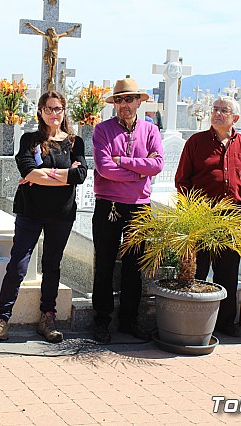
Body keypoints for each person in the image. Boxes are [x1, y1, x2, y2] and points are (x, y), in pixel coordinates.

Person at [0, 91, 87, 345]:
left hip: (61, 214)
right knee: (18, 263)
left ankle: (47, 317)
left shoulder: (75, 143)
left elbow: (81, 175)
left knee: (52, 265)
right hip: (31, 212)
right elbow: (28, 171)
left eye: (58, 108)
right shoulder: (30, 140)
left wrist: (45, 175)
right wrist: (62, 174)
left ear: (64, 111)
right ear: (40, 111)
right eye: (49, 108)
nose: (54, 114)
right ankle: (1, 319)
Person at [174, 96, 241, 337]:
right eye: (215, 109)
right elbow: (182, 180)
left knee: (228, 271)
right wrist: (192, 210)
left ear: (236, 118)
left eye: (224, 110)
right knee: (198, 270)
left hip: (232, 217)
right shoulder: (196, 142)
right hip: (202, 216)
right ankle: (193, 322)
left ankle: (224, 323)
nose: (218, 114)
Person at [91, 78, 164, 344]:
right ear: (115, 104)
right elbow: (104, 168)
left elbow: (157, 165)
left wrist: (124, 162)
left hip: (139, 207)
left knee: (134, 266)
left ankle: (129, 319)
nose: (125, 105)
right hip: (108, 204)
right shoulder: (102, 130)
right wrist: (137, 173)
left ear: (139, 101)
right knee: (106, 263)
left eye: (130, 99)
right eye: (120, 100)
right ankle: (101, 320)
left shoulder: (150, 130)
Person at [24, 22, 81, 92]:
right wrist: (30, 26)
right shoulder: (48, 37)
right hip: (50, 52)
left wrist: (74, 28)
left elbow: (67, 33)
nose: (53, 32)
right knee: (50, 65)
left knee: (53, 66)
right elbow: (38, 31)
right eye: (51, 31)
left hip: (55, 53)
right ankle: (50, 78)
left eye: (53, 31)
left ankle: (51, 78)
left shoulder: (58, 36)